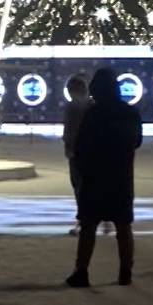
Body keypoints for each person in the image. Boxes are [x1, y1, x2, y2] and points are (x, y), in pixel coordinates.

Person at [66, 67, 141, 288]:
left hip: (95, 177)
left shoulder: (93, 114)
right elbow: (136, 141)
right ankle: (125, 272)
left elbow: (81, 145)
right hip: (121, 177)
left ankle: (82, 271)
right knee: (123, 227)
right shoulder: (130, 112)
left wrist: (82, 168)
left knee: (89, 226)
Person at [62, 73, 91, 236]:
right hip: (93, 151)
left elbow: (69, 130)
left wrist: (68, 148)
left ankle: (83, 221)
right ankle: (106, 221)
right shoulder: (93, 105)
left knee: (79, 187)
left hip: (77, 152)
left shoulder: (71, 107)